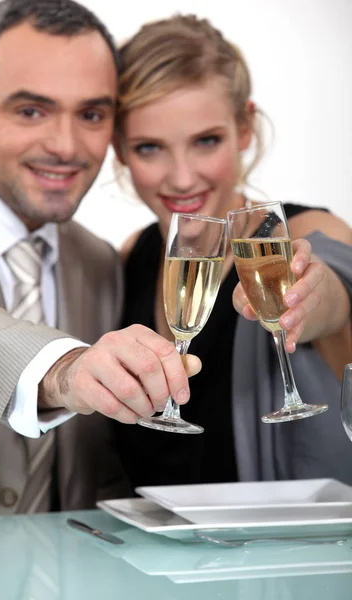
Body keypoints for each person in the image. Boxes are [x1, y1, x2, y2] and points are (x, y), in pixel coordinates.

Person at [0, 0, 200, 517]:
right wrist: (63, 368)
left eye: (90, 114)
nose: (66, 146)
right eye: (31, 110)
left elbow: (92, 468)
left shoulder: (100, 263)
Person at [112, 14, 352, 489]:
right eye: (149, 147)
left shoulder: (304, 231)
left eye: (206, 141)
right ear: (119, 149)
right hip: (142, 556)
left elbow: (337, 292)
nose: (181, 177)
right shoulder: (130, 258)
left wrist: (311, 296)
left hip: (274, 559)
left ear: (244, 128)